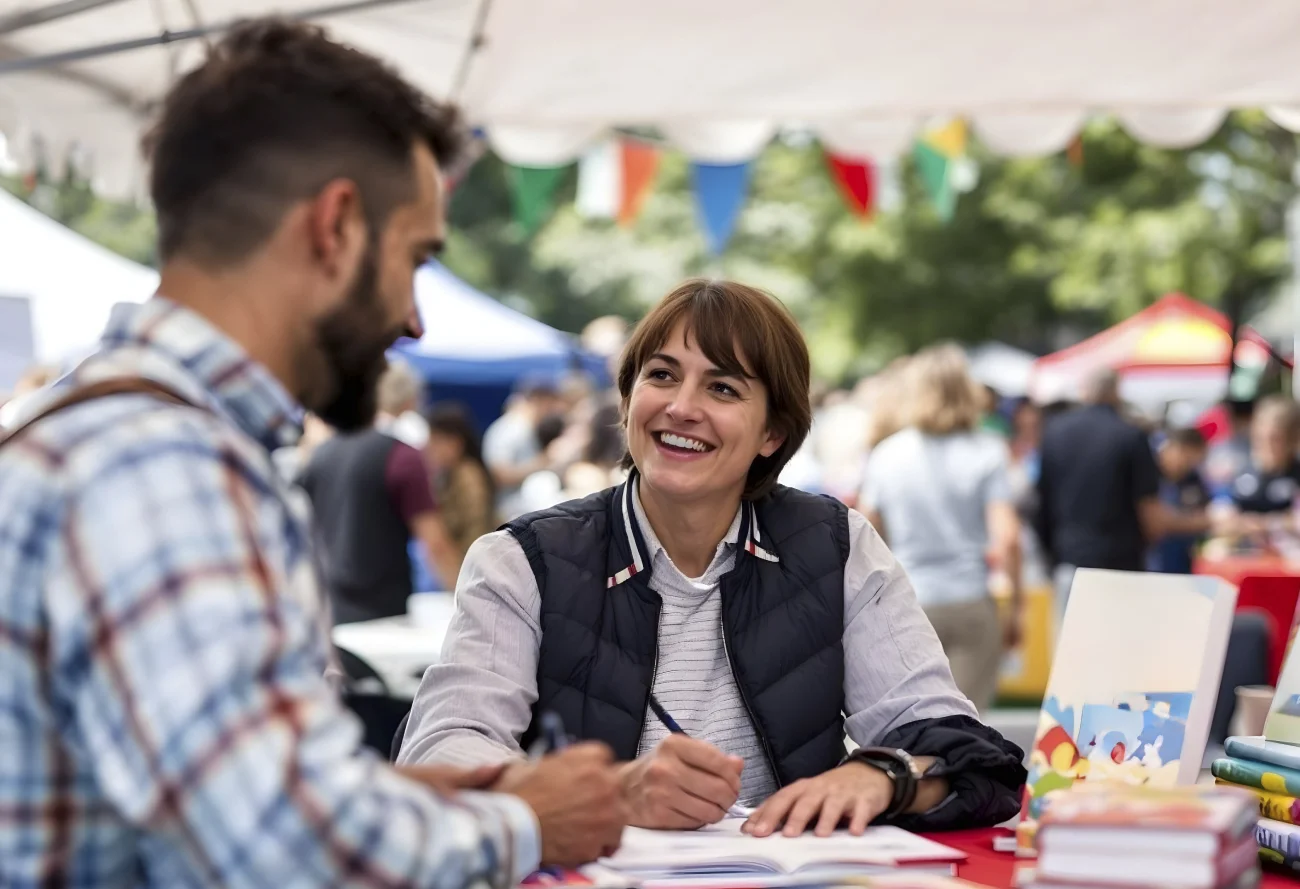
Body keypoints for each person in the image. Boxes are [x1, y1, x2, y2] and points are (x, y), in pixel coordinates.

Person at [0, 19, 627, 888]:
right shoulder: (162, 466)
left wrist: (394, 796)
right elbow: (280, 855)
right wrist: (525, 820)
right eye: (414, 258)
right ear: (334, 228)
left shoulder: (109, 432)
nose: (415, 319)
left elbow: (198, 796)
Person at [400, 279, 1025, 837]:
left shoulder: (837, 545)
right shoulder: (522, 560)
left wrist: (882, 775)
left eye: (722, 387)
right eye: (662, 375)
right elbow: (440, 753)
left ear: (772, 434)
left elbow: (962, 749)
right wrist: (609, 796)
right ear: (626, 401)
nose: (682, 407)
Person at [860, 344, 1023, 713]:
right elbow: (1009, 538)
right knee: (966, 727)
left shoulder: (888, 453)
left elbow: (865, 533)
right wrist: (1015, 609)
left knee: (914, 725)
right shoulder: (988, 450)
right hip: (970, 600)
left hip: (908, 601)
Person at [1035, 368, 1207, 618]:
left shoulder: (1054, 433)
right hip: (1120, 567)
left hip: (1070, 563)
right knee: (1119, 650)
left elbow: (1041, 504)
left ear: (1084, 390)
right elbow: (1151, 516)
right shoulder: (1130, 435)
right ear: (1116, 392)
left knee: (1071, 651)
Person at [1213, 396, 1300, 542]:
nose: (1267, 446)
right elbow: (1218, 514)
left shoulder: (1296, 474)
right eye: (1260, 438)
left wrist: (1267, 524)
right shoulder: (1236, 470)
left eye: (1275, 439)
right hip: (1243, 554)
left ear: (1292, 439)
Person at [483, 376, 564, 520]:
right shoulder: (510, 428)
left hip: (523, 508)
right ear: (540, 400)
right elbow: (500, 475)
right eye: (551, 404)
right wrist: (544, 461)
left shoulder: (527, 428)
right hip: (509, 510)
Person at [425, 404, 499, 562]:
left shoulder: (469, 476)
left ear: (455, 443)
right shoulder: (447, 474)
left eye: (436, 441)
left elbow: (476, 530)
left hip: (468, 562)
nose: (430, 448)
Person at [1148, 427, 1211, 574]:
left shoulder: (1192, 479)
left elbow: (1204, 508)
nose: (1187, 465)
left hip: (1184, 562)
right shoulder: (1149, 475)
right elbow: (1159, 522)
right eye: (1186, 458)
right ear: (1172, 448)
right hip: (1153, 561)